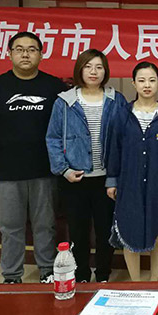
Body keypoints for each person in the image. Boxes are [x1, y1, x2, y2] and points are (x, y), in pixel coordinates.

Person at [0, 31, 67, 284]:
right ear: (10, 53)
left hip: (45, 171)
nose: (26, 54)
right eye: (19, 49)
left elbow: (67, 127)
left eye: (32, 49)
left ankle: (47, 271)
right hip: (6, 173)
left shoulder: (54, 87)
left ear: (41, 54)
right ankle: (12, 276)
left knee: (45, 225)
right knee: (10, 227)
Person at [46, 49, 126, 283]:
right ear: (80, 70)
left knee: (105, 230)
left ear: (105, 71)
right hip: (75, 178)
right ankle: (81, 274)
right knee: (78, 231)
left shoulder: (116, 100)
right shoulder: (64, 102)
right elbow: (53, 138)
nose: (94, 72)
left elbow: (125, 138)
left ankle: (103, 274)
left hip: (107, 179)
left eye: (99, 67)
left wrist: (119, 174)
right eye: (88, 66)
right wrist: (64, 170)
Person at [106, 62, 158, 282]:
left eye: (151, 80)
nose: (147, 85)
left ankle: (154, 280)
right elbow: (114, 149)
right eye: (141, 80)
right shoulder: (122, 114)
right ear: (133, 83)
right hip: (129, 182)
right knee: (130, 230)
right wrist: (112, 181)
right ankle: (135, 282)